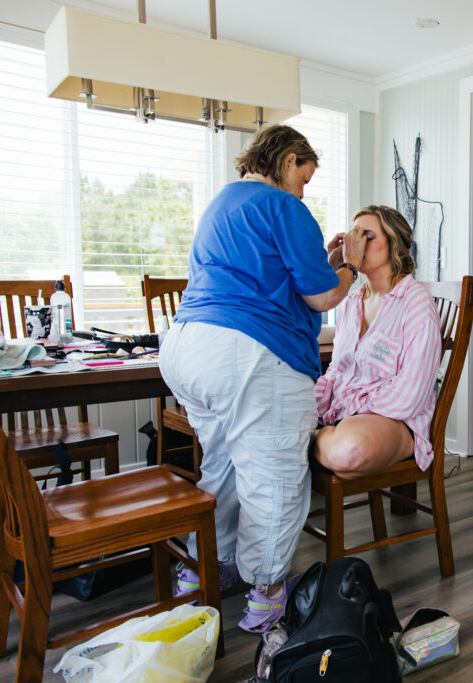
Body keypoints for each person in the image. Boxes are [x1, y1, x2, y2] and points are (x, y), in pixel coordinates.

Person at [159, 124, 366, 633]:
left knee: (224, 463)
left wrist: (328, 261)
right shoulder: (283, 205)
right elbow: (321, 298)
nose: (304, 190)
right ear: (290, 160)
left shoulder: (221, 205)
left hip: (189, 346)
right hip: (247, 352)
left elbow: (277, 276)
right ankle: (267, 594)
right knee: (272, 476)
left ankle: (208, 568)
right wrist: (352, 268)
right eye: (306, 177)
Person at [312, 205, 441, 478]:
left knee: (349, 450)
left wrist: (350, 408)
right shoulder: (350, 301)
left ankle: (310, 442)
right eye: (353, 236)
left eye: (367, 237)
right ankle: (321, 439)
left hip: (394, 418)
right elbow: (337, 370)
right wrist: (313, 404)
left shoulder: (416, 303)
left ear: (393, 244)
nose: (355, 244)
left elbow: (412, 393)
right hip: (347, 417)